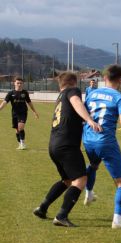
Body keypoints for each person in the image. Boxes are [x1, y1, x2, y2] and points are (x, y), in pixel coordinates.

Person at [32, 72, 102, 227]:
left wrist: (81, 123)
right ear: (73, 83)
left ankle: (42, 208)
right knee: (80, 180)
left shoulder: (60, 97)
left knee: (67, 180)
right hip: (67, 145)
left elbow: (69, 116)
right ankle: (62, 216)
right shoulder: (72, 91)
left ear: (60, 84)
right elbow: (77, 102)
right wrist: (89, 120)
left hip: (54, 145)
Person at [83, 64, 121, 229]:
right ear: (120, 79)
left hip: (88, 139)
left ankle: (88, 193)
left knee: (94, 165)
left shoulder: (92, 93)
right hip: (105, 140)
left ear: (104, 78)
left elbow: (83, 114)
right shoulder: (119, 98)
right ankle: (117, 220)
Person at [0, 77, 39, 150]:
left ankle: (22, 144)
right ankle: (20, 143)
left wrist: (34, 111)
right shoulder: (10, 93)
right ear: (14, 83)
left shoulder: (25, 93)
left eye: (21, 83)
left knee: (20, 127)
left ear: (23, 84)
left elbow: (29, 102)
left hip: (23, 113)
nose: (19, 84)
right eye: (17, 83)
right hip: (14, 113)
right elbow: (4, 102)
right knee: (17, 130)